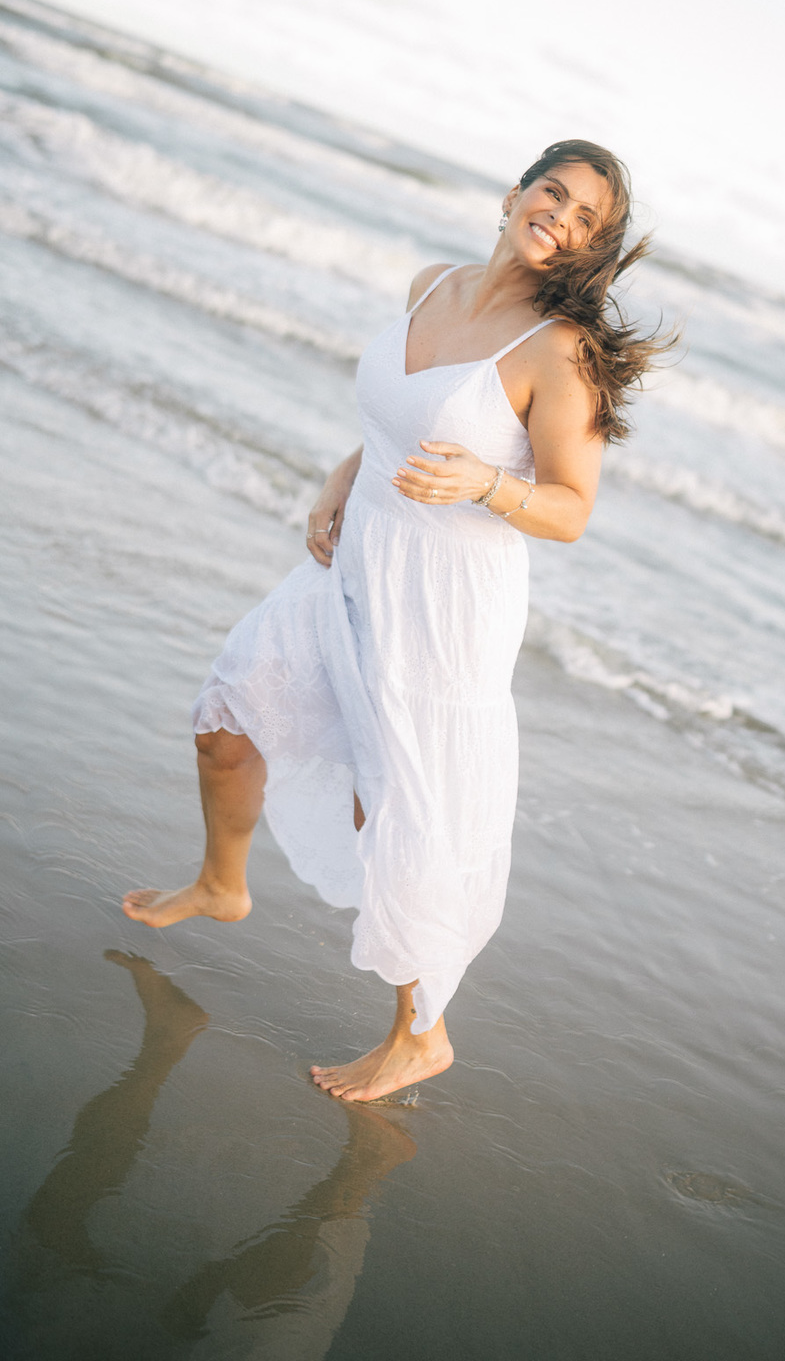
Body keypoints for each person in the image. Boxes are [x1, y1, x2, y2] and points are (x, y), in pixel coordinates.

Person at [122, 140, 671, 1102]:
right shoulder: (434, 283)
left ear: (594, 250)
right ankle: (221, 883)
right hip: (356, 562)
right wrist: (341, 478)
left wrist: (490, 483)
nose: (562, 218)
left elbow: (572, 508)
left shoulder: (557, 352)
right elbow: (397, 417)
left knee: (401, 811)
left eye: (588, 220)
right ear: (514, 192)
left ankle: (423, 1032)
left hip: (444, 605)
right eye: (555, 193)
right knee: (228, 715)